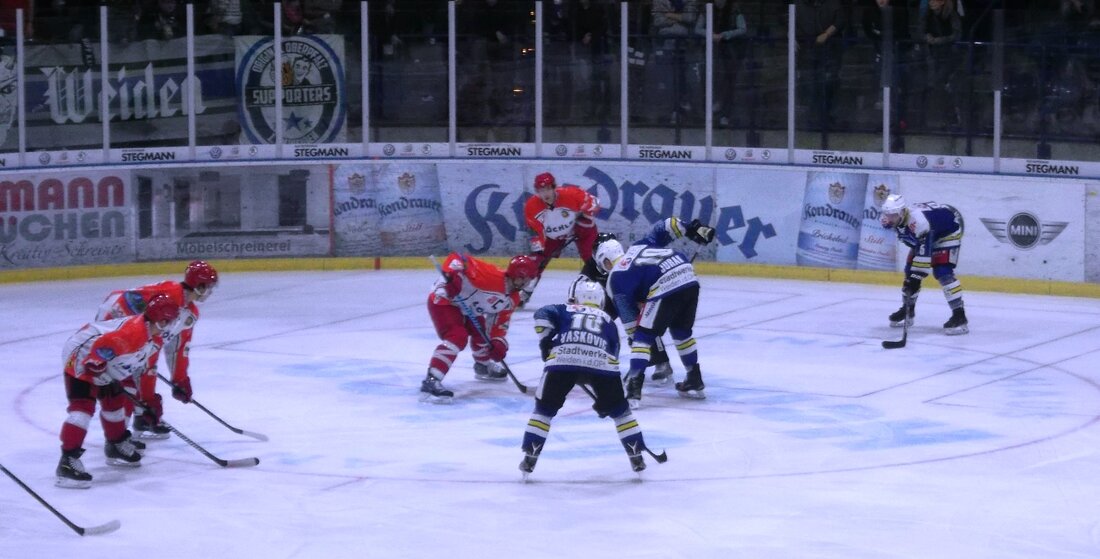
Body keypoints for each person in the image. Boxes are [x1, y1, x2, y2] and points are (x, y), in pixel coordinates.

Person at [520, 279, 659, 478]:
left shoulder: (565, 309)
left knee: (544, 411)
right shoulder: (608, 320)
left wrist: (545, 341)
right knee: (621, 413)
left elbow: (541, 314)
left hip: (562, 361)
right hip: (602, 365)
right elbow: (613, 353)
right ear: (600, 301)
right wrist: (606, 398)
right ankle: (636, 454)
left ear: (575, 297)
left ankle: (530, 455)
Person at [56, 294, 181, 488]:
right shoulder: (133, 334)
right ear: (160, 320)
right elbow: (100, 349)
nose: (171, 326)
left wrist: (148, 401)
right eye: (168, 321)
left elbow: (144, 370)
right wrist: (97, 366)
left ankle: (115, 445)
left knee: (114, 402)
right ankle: (67, 462)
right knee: (83, 408)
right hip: (81, 354)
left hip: (104, 357)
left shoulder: (152, 336)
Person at [596, 217, 716, 408]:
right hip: (688, 275)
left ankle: (633, 388)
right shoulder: (640, 245)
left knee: (642, 337)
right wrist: (693, 229)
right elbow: (666, 225)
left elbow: (631, 324)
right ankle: (694, 379)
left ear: (606, 261)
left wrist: (638, 344)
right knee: (681, 333)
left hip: (665, 285)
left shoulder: (615, 277)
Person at [95, 260, 219, 438]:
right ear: (198, 286)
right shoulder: (170, 299)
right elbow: (148, 354)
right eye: (208, 286)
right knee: (128, 379)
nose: (210, 291)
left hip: (135, 328)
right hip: (113, 319)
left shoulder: (188, 313)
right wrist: (148, 400)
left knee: (140, 372)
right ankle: (119, 439)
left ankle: (142, 420)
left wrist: (180, 380)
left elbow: (178, 349)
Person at [423, 253, 540, 403]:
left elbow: (497, 326)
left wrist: (497, 343)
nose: (527, 282)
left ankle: (483, 366)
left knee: (482, 333)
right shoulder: (490, 276)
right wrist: (455, 275)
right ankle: (432, 379)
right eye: (525, 278)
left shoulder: (512, 299)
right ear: (517, 275)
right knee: (457, 336)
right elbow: (457, 257)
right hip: (446, 300)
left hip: (468, 308)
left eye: (530, 279)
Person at [575, 232, 676, 385]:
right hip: (609, 299)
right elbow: (580, 282)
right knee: (595, 322)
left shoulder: (629, 263)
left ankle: (661, 361)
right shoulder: (593, 264)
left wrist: (643, 301)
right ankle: (590, 358)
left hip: (629, 299)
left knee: (644, 327)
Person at [879, 194, 968, 334]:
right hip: (927, 235)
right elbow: (918, 245)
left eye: (892, 215)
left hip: (947, 232)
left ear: (902, 213)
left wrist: (916, 278)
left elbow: (923, 259)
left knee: (943, 272)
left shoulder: (919, 222)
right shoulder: (893, 220)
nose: (888, 218)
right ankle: (908, 310)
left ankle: (959, 315)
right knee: (910, 272)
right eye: (886, 214)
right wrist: (913, 278)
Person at [521, 171, 600, 305]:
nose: (545, 194)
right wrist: (539, 250)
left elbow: (594, 202)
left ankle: (602, 286)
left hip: (579, 228)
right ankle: (525, 292)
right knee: (536, 262)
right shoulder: (531, 206)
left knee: (592, 258)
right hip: (552, 237)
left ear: (554, 187)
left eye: (547, 189)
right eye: (541, 190)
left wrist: (585, 214)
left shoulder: (571, 194)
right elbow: (535, 230)